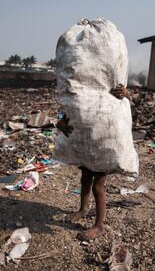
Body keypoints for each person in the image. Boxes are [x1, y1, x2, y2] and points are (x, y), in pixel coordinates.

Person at [56, 84, 132, 240]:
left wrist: (126, 93)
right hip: (86, 142)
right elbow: (74, 107)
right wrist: (61, 122)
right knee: (85, 179)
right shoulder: (84, 86)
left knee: (98, 186)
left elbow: (128, 103)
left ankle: (99, 226)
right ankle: (83, 210)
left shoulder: (114, 87)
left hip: (104, 143)